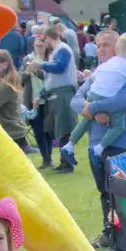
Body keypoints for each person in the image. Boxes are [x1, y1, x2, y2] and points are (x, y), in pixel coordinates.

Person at [67, 34, 126, 237]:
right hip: (95, 142)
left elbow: (124, 100)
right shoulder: (99, 75)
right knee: (104, 190)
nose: (100, 49)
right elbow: (75, 100)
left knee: (121, 190)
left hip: (119, 142)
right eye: (98, 45)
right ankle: (109, 232)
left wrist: (93, 107)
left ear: (118, 48)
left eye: (106, 45)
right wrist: (92, 110)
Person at [37, 24, 80, 173]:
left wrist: (41, 65)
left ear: (48, 37)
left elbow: (60, 67)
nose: (44, 43)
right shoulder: (56, 51)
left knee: (65, 129)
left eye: (44, 39)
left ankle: (68, 164)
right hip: (57, 93)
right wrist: (42, 93)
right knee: (60, 129)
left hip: (64, 93)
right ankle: (64, 161)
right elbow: (51, 79)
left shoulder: (63, 49)